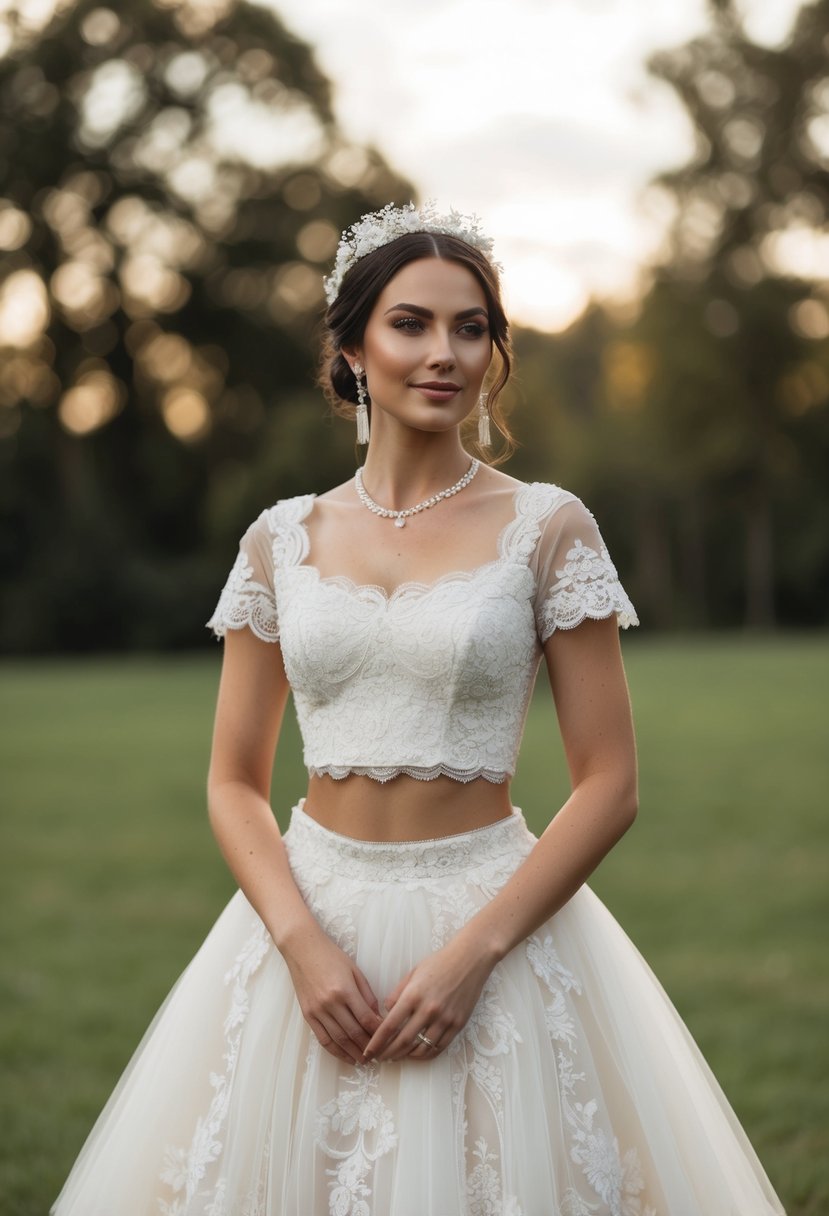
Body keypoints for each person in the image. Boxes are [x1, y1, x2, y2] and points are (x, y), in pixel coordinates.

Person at [52, 203, 786, 1216]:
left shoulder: (548, 528)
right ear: (352, 347)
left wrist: (475, 953)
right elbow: (231, 780)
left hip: (491, 922)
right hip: (307, 927)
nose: (444, 352)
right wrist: (300, 946)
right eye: (410, 323)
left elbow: (609, 783)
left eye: (471, 327)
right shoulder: (280, 540)